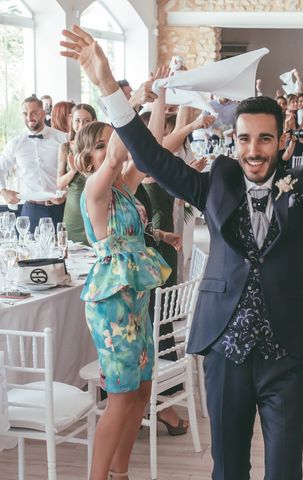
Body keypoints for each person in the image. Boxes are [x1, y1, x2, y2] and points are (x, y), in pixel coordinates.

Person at [61, 24, 303, 479]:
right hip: (224, 349)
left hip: (286, 351)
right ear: (235, 140)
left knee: (285, 470)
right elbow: (151, 158)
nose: (254, 150)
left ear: (282, 140)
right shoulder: (216, 184)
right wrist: (109, 86)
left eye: (265, 139)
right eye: (245, 139)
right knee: (227, 468)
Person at [74, 121, 170, 479]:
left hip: (136, 300)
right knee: (120, 396)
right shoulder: (95, 192)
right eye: (97, 146)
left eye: (106, 144)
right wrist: (125, 105)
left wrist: (157, 96)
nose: (107, 150)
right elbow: (117, 155)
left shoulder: (124, 190)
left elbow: (150, 145)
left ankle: (121, 473)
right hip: (111, 304)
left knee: (142, 389)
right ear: (86, 160)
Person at [0, 95, 67, 229]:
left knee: (64, 248)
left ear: (43, 113)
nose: (29, 117)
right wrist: (3, 191)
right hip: (30, 210)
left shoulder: (62, 138)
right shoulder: (16, 143)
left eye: (34, 113)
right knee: (29, 249)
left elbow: (76, 172)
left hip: (61, 208)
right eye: (25, 113)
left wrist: (67, 193)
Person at [57, 103, 97, 245]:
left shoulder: (99, 146)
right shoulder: (65, 147)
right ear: (71, 121)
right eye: (77, 120)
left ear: (94, 121)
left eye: (87, 121)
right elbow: (60, 184)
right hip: (73, 213)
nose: (81, 125)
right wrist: (73, 170)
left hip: (96, 209)